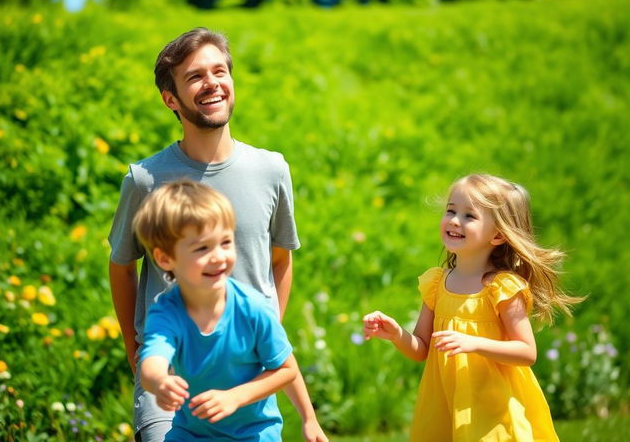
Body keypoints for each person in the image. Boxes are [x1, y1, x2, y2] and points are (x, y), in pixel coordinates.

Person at [108, 27, 328, 442]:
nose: (212, 84)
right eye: (194, 77)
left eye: (219, 71)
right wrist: (139, 356)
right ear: (170, 98)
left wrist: (258, 340)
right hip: (170, 377)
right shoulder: (144, 180)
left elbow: (279, 261)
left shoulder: (272, 170)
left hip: (248, 378)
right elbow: (121, 268)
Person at [363, 173, 583, 441]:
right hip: (445, 401)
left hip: (493, 408)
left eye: (470, 216)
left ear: (498, 235)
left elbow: (527, 352)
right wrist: (397, 334)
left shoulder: (501, 288)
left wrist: (473, 343)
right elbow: (422, 348)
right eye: (451, 211)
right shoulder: (437, 283)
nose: (455, 220)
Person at [134, 179, 299, 441]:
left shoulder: (252, 307)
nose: (219, 256)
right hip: (191, 433)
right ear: (165, 259)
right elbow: (153, 360)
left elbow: (286, 369)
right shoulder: (167, 312)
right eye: (202, 248)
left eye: (225, 242)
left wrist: (236, 396)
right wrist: (159, 382)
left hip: (254, 433)